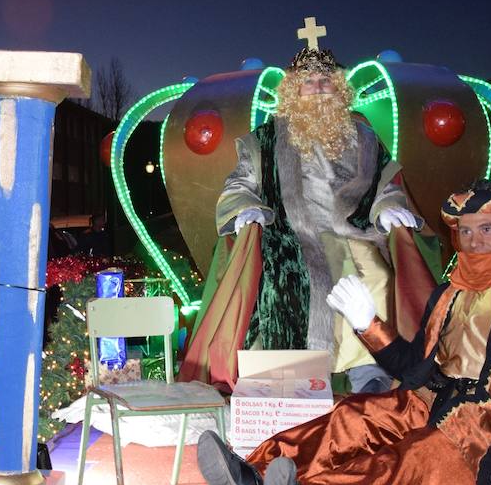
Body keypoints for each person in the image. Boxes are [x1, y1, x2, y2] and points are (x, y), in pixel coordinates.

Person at [197, 179, 491, 485]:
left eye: (487, 229)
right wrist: (368, 324)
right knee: (350, 418)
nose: (475, 241)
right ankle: (255, 476)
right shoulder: (451, 291)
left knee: (408, 464)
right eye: (465, 232)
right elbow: (413, 366)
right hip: (430, 402)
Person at [180, 39, 431, 394]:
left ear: (339, 89)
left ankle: (368, 369)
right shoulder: (264, 140)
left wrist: (389, 210)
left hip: (351, 234)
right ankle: (292, 380)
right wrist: (245, 208)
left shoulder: (365, 137)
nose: (317, 89)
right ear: (294, 92)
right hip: (288, 234)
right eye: (308, 82)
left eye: (325, 81)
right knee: (288, 281)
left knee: (376, 275)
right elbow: (239, 184)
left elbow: (385, 186)